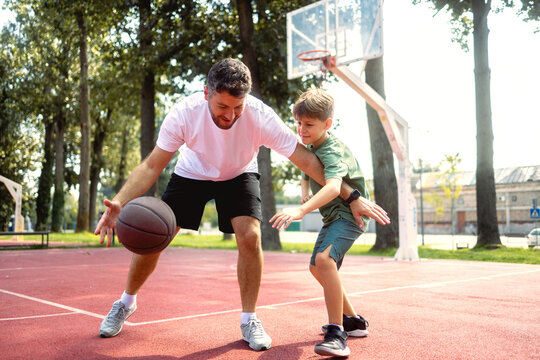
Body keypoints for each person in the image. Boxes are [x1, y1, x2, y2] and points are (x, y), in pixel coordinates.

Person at [95, 58, 390, 352]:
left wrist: (353, 197)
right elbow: (151, 166)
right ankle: (126, 302)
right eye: (223, 107)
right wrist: (119, 201)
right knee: (157, 236)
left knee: (250, 236)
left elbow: (307, 160)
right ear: (206, 93)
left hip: (239, 173)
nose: (231, 115)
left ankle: (249, 319)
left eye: (238, 107)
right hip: (192, 173)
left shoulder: (260, 116)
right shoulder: (184, 114)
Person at [270, 88, 377, 357]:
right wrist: (305, 185)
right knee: (316, 268)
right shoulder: (311, 145)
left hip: (348, 216)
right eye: (298, 123)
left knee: (325, 261)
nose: (302, 129)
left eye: (309, 124)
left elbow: (332, 187)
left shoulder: (333, 150)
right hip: (333, 218)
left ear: (327, 124)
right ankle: (353, 321)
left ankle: (336, 333)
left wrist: (302, 209)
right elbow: (306, 167)